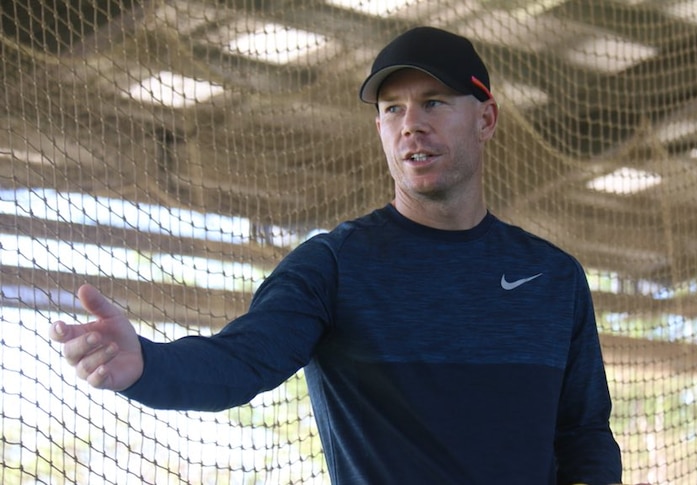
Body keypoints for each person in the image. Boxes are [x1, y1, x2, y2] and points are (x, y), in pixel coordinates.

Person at [50, 26, 623, 484]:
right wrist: (147, 366)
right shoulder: (334, 265)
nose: (411, 126)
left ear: (487, 118)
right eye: (392, 109)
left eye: (433, 102)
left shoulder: (554, 277)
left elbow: (583, 432)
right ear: (378, 127)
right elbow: (240, 361)